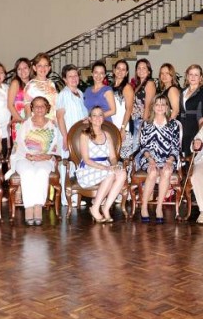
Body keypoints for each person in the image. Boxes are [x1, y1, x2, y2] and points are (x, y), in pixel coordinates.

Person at [12, 96, 62, 226]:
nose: (39, 108)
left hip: (45, 157)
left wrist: (47, 155)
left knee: (41, 172)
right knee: (28, 172)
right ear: (32, 108)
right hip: (24, 157)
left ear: (47, 108)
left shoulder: (53, 125)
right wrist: (29, 155)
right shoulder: (25, 124)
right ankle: (29, 207)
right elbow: (19, 144)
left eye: (42, 106)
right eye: (36, 106)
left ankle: (38, 207)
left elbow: (57, 145)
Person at [135, 95, 181, 223]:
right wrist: (150, 160)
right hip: (148, 158)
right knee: (153, 171)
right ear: (153, 107)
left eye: (163, 104)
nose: (160, 107)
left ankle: (159, 208)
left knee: (166, 171)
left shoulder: (173, 125)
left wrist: (170, 160)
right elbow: (143, 147)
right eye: (157, 104)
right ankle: (144, 207)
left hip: (167, 158)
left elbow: (175, 147)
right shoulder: (146, 124)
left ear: (167, 107)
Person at [76, 106, 126, 223]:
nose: (98, 117)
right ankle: (94, 208)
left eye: (100, 115)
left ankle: (106, 207)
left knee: (122, 173)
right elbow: (87, 160)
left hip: (105, 166)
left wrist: (115, 165)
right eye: (94, 115)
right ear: (90, 118)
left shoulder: (107, 134)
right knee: (109, 174)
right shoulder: (85, 134)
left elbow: (113, 157)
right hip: (88, 168)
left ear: (103, 118)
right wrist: (107, 168)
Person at [56, 64, 88, 206]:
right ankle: (65, 199)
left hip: (79, 137)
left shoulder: (81, 94)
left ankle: (76, 196)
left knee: (77, 166)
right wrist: (65, 137)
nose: (74, 78)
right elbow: (60, 117)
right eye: (70, 76)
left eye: (76, 75)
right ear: (65, 79)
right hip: (68, 136)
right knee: (66, 167)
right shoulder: (63, 94)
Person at [179, 64, 203, 156]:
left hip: (196, 127)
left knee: (193, 155)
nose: (193, 77)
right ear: (187, 76)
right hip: (182, 126)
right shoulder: (183, 91)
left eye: (196, 75)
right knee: (183, 155)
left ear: (200, 77)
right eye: (191, 74)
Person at [131, 58, 157, 149]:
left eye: (144, 68)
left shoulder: (149, 83)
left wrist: (144, 124)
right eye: (139, 68)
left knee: (138, 148)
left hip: (143, 120)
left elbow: (148, 105)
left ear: (149, 71)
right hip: (136, 120)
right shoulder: (138, 85)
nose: (141, 70)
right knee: (135, 148)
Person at [112, 59, 135, 158]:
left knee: (124, 159)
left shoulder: (127, 88)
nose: (120, 71)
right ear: (114, 70)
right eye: (118, 68)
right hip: (112, 127)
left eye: (123, 69)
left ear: (126, 73)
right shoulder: (110, 87)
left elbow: (129, 109)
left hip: (124, 127)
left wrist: (123, 129)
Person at [24, 53, 57, 120]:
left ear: (49, 68)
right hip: (39, 125)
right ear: (34, 68)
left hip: (53, 123)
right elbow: (28, 110)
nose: (43, 68)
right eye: (39, 65)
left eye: (46, 65)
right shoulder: (30, 86)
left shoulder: (51, 83)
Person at [8, 57, 31, 141]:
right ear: (16, 71)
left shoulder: (33, 83)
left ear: (30, 68)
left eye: (25, 68)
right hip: (19, 121)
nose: (22, 71)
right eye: (19, 69)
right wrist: (21, 121)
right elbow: (10, 105)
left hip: (32, 122)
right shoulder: (15, 83)